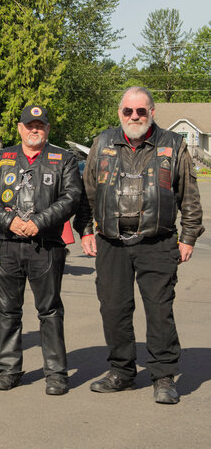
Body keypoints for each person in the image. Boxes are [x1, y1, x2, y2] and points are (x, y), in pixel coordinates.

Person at [76, 86, 204, 404]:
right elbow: (87, 192)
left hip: (157, 243)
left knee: (159, 311)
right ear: (119, 113)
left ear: (152, 112)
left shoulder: (173, 145)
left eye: (141, 111)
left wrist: (188, 236)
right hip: (111, 243)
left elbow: (189, 194)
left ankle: (163, 376)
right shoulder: (102, 143)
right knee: (114, 309)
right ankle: (122, 372)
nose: (134, 116)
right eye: (128, 111)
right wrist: (86, 230)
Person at [0, 105, 82, 395]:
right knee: (7, 310)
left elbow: (72, 197)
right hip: (6, 243)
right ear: (20, 129)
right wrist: (10, 221)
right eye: (29, 125)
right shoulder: (1, 157)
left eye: (40, 125)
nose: (34, 129)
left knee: (49, 311)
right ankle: (9, 370)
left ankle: (56, 374)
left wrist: (39, 222)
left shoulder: (64, 159)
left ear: (48, 129)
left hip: (46, 245)